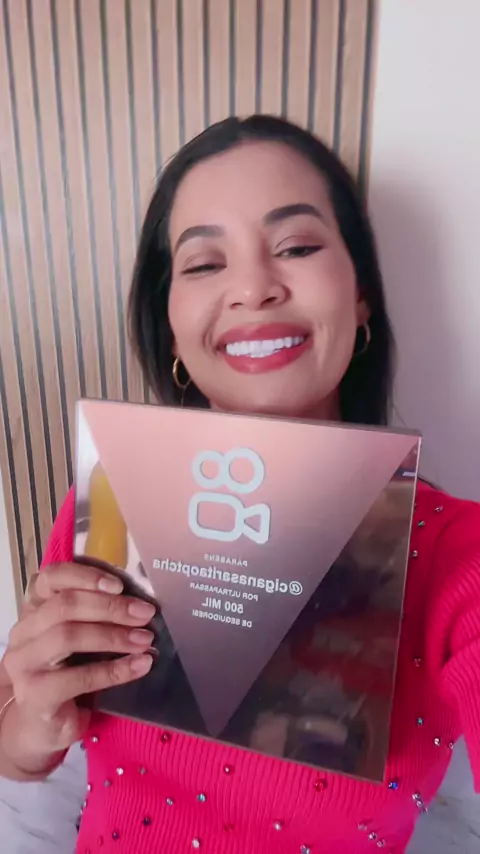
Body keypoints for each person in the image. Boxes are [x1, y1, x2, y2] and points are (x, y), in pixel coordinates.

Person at [1, 115, 479, 854]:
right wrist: (31, 726)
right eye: (203, 263)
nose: (253, 288)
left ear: (361, 297)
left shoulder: (454, 552)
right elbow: (18, 751)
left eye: (296, 246)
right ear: (171, 326)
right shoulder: (110, 505)